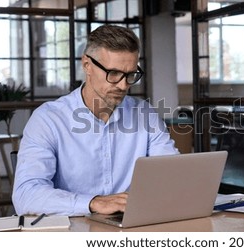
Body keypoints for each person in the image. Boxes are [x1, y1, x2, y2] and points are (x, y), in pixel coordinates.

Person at [12, 25, 179, 216]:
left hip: (131, 228)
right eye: (114, 73)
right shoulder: (48, 120)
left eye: (131, 75)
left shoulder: (145, 114)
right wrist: (92, 203)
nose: (123, 85)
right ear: (87, 65)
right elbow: (26, 195)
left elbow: (171, 175)